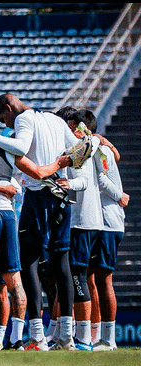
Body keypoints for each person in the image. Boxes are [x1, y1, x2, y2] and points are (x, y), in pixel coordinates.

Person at [0, 93, 82, 351]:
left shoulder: (24, 119)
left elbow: (21, 148)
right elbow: (77, 149)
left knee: (28, 262)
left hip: (39, 194)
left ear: (8, 108)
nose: (6, 124)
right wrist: (62, 164)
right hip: (61, 194)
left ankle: (37, 336)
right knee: (61, 263)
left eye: (4, 118)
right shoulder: (54, 118)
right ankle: (67, 336)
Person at [49, 110, 103, 350]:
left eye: (68, 128)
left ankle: (83, 339)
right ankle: (65, 336)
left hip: (81, 222)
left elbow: (81, 181)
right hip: (80, 221)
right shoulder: (84, 145)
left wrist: (67, 183)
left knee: (76, 278)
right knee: (69, 279)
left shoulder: (81, 147)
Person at [88, 116, 129, 351]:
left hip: (106, 221)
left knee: (103, 279)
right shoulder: (102, 148)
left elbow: (103, 178)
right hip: (101, 220)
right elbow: (114, 157)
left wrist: (120, 196)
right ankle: (96, 336)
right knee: (91, 277)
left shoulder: (97, 149)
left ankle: (108, 338)